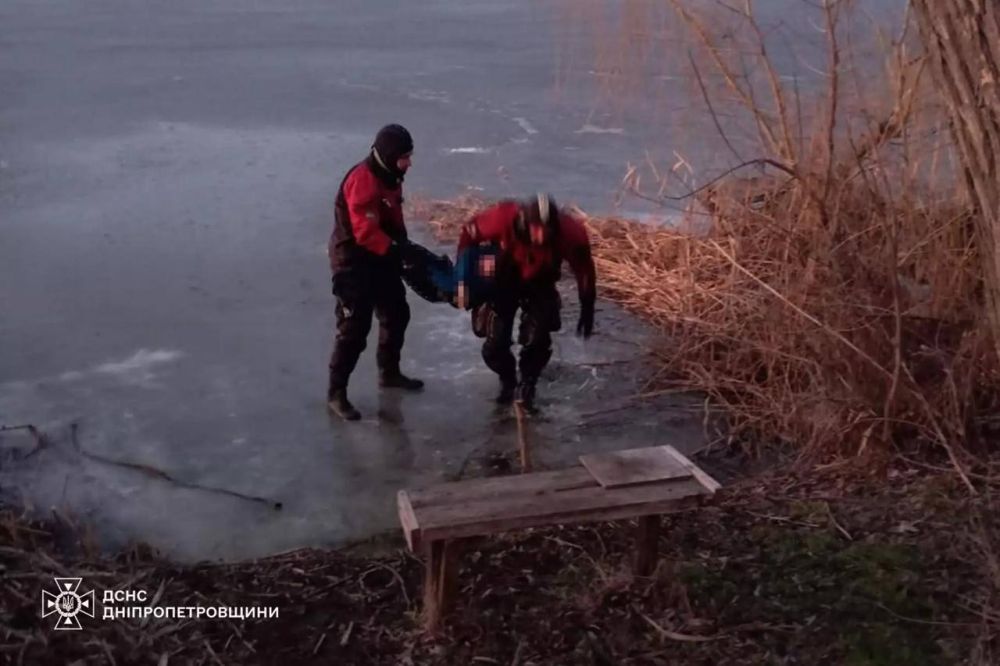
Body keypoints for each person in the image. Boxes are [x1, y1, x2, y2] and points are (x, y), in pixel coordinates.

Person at [456, 193, 596, 411]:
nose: (540, 237)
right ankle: (508, 379)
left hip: (540, 282)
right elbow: (468, 235)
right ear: (525, 223)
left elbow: (584, 268)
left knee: (538, 340)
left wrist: (587, 303)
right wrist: (464, 281)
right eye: (535, 229)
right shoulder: (501, 218)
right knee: (494, 345)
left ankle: (528, 385)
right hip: (502, 279)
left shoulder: (570, 232)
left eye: (546, 230)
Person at [327, 124, 423, 421]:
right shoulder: (363, 180)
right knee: (354, 330)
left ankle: (389, 372)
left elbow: (393, 217)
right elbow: (365, 232)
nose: (409, 163)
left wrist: (405, 247)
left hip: (380, 258)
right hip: (353, 262)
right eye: (405, 157)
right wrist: (397, 252)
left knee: (396, 313)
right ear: (390, 155)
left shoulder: (391, 176)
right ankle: (336, 393)